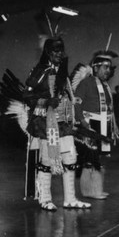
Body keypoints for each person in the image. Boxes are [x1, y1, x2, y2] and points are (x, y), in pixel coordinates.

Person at [24, 37, 91, 211]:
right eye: (55, 51)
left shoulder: (63, 72)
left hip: (64, 123)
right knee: (47, 160)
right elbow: (27, 96)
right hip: (47, 123)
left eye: (61, 50)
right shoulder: (39, 71)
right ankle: (45, 199)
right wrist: (45, 102)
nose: (59, 54)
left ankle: (70, 198)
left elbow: (68, 95)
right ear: (47, 52)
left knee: (70, 158)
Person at [73, 50, 119, 199]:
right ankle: (89, 190)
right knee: (90, 158)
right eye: (105, 67)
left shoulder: (105, 86)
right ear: (96, 67)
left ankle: (97, 188)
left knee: (99, 158)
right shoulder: (86, 83)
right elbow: (77, 103)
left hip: (104, 124)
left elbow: (109, 107)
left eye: (109, 68)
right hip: (90, 125)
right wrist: (82, 122)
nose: (108, 71)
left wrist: (114, 125)